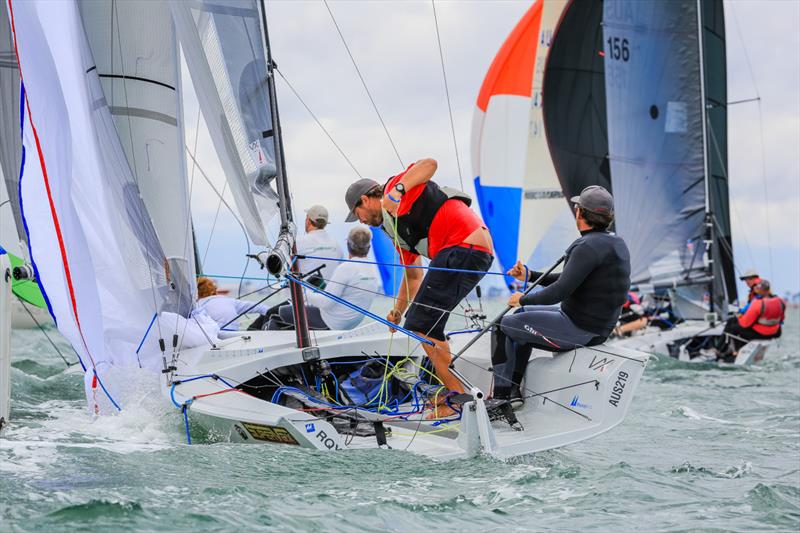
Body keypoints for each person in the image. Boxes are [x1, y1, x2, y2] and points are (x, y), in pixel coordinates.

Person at [344, 158, 493, 418]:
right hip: (470, 251)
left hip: (463, 247)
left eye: (357, 215)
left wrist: (397, 190)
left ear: (365, 201)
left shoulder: (396, 190)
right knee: (424, 322)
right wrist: (398, 311)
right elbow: (413, 276)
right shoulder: (396, 232)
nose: (362, 222)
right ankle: (455, 394)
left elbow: (430, 164)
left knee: (423, 324)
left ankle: (458, 401)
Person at [495, 185, 630, 426]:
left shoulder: (586, 246)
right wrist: (530, 274)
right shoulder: (614, 243)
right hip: (593, 328)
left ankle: (500, 398)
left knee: (505, 323)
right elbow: (570, 278)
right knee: (522, 318)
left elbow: (559, 291)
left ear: (580, 214)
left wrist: (522, 298)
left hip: (579, 329)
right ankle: (513, 392)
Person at [265, 227, 380, 331]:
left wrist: (301, 289)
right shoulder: (373, 270)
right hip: (346, 325)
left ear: (348, 245)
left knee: (279, 313)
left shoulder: (346, 268)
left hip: (329, 322)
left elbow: (324, 302)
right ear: (368, 247)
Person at [720, 279, 785, 360]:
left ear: (760, 290)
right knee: (733, 321)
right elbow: (781, 320)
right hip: (776, 333)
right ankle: (734, 349)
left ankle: (725, 350)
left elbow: (745, 324)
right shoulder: (781, 301)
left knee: (733, 327)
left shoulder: (758, 303)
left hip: (762, 334)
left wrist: (739, 317)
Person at [295, 205, 344, 287]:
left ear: (308, 220)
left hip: (307, 297)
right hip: (331, 297)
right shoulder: (336, 245)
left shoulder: (299, 242)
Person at [194, 277, 271, 330]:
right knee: (265, 314)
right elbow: (259, 307)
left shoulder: (197, 306)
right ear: (213, 290)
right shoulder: (229, 300)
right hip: (235, 335)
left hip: (216, 338)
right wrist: (272, 312)